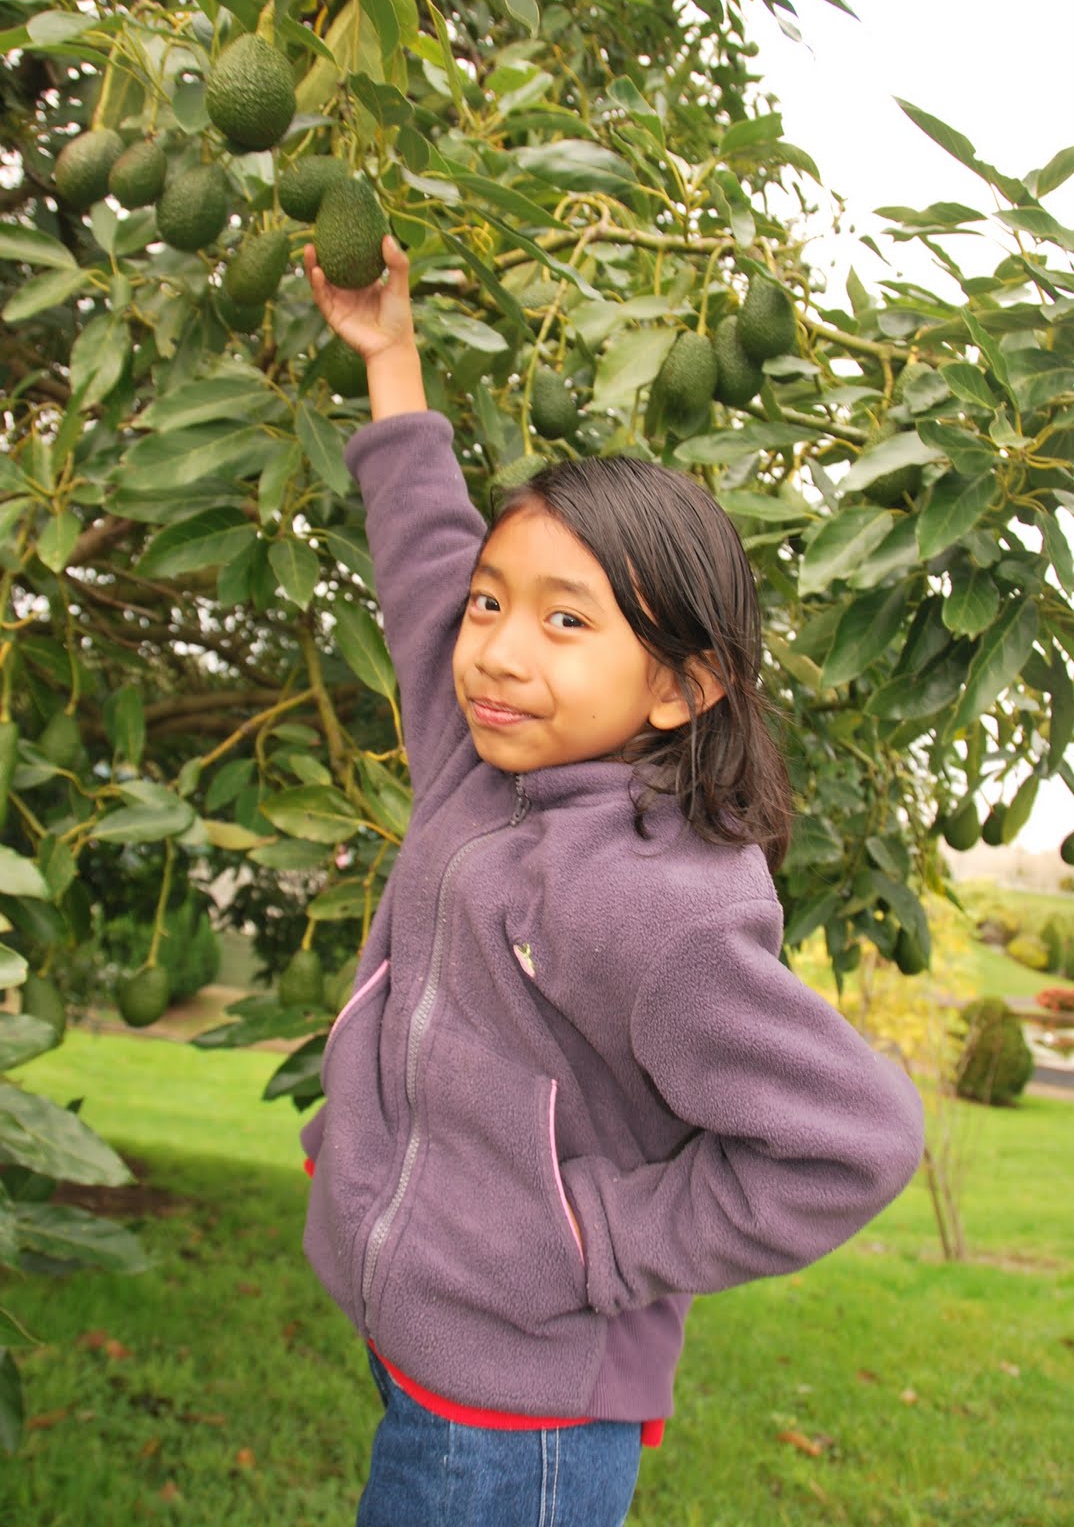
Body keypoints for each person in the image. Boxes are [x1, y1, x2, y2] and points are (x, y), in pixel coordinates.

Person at [299, 235, 924, 1527]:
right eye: (491, 605)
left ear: (682, 686)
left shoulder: (660, 906)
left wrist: (593, 1237)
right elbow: (423, 554)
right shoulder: (483, 763)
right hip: (423, 1344)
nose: (496, 650)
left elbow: (854, 1141)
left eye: (566, 620)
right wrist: (390, 355)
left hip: (519, 1423)